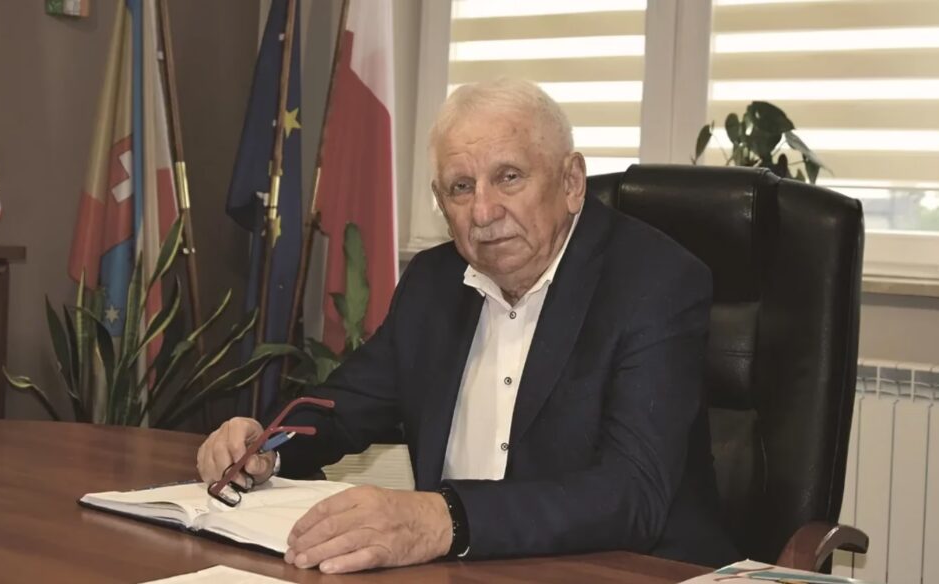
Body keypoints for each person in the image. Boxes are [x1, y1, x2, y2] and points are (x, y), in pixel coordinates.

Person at [197, 78, 738, 573]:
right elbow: (344, 406)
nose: (483, 211)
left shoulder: (654, 281)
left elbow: (632, 493)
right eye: (460, 187)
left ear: (572, 181)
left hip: (630, 571)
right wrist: (267, 444)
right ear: (441, 202)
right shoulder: (435, 282)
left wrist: (444, 518)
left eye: (508, 177)